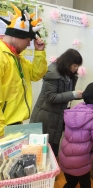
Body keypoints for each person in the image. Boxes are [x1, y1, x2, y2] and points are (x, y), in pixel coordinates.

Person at [0, 4, 47, 136]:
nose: (28, 44)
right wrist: (2, 134)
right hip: (3, 129)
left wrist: (39, 53)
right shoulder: (2, 57)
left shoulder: (17, 58)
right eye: (28, 40)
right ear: (16, 35)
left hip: (14, 126)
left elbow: (36, 74)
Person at [29, 48, 83, 157]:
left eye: (78, 66)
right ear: (68, 62)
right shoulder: (52, 73)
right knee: (39, 152)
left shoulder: (69, 75)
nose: (76, 68)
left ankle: (52, 172)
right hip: (45, 116)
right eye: (75, 65)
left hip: (57, 116)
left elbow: (65, 95)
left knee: (52, 150)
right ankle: (42, 174)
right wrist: (74, 94)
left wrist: (79, 95)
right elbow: (51, 97)